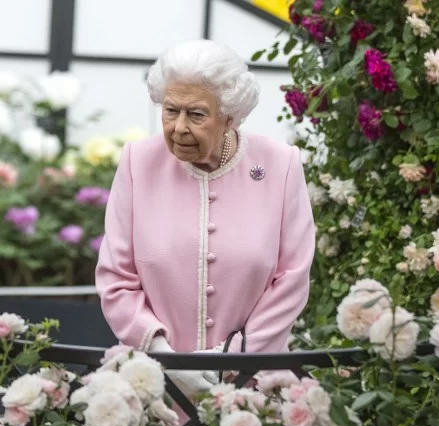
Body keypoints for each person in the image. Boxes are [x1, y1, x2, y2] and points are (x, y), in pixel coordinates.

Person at [95, 40, 316, 396]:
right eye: (170, 111)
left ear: (230, 115)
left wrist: (231, 359)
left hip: (253, 384)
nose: (179, 127)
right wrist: (165, 359)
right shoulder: (138, 162)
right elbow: (117, 278)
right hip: (155, 384)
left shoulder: (280, 164)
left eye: (196, 114)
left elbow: (292, 278)